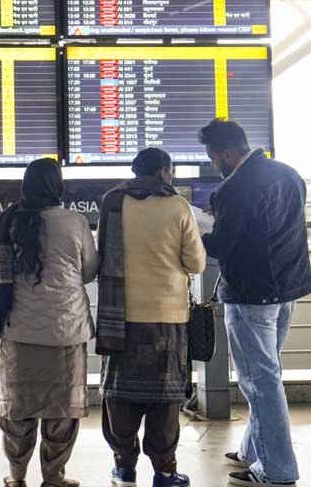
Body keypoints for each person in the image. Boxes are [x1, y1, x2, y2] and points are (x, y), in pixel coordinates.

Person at [199, 119, 311, 487]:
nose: (214, 163)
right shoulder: (289, 174)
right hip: (287, 290)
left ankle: (277, 470)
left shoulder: (235, 187)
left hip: (250, 296)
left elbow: (223, 245)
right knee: (267, 374)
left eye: (214, 157)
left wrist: (195, 233)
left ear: (228, 153)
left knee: (259, 382)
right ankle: (252, 450)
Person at [0, 158, 99, 487]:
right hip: (66, 332)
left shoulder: (8, 223)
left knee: (17, 411)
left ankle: (17, 477)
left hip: (19, 333)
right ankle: (54, 478)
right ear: (58, 186)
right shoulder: (75, 222)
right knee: (62, 413)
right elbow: (89, 271)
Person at [96, 148, 205, 487]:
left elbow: (102, 255)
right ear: (163, 172)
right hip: (167, 318)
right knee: (165, 399)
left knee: (120, 397)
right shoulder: (177, 206)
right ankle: (165, 472)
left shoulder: (112, 202)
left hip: (120, 317)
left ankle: (124, 467)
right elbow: (197, 263)